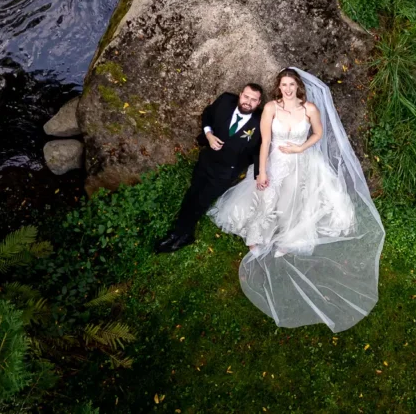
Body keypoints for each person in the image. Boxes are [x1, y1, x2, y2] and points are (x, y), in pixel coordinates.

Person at [208, 68, 385, 332]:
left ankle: (288, 240)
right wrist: (262, 171)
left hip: (302, 163)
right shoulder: (270, 107)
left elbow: (318, 133)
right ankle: (257, 237)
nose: (288, 88)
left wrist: (301, 147)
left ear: (297, 86)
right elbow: (265, 140)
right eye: (283, 84)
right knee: (267, 198)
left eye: (291, 84)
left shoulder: (309, 108)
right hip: (276, 161)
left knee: (292, 201)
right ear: (278, 87)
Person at [154, 83, 264, 254]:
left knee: (201, 201)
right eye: (246, 97)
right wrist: (208, 134)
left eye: (253, 100)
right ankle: (180, 232)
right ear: (240, 94)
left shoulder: (261, 122)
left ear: (259, 103)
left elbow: (259, 152)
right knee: (192, 193)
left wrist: (259, 174)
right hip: (206, 161)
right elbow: (207, 114)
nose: (248, 102)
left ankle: (181, 235)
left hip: (225, 172)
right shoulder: (226, 100)